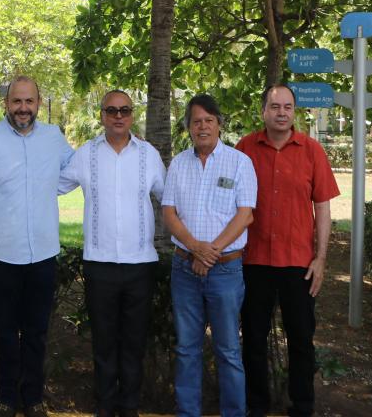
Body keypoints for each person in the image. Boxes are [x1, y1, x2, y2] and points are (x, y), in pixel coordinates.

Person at [0, 76, 75, 417]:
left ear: (38, 103)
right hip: (3, 253)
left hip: (43, 252)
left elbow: (76, 170)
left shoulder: (54, 138)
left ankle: (34, 398)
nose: (23, 108)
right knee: (7, 332)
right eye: (16, 102)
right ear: (6, 103)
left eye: (29, 102)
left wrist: (48, 187)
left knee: (38, 332)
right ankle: (7, 399)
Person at [236, 85, 339, 417]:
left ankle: (302, 407)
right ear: (263, 110)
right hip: (253, 262)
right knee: (252, 341)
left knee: (300, 342)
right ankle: (256, 407)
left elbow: (322, 207)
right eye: (275, 106)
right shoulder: (245, 149)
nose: (282, 112)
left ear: (294, 112)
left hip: (299, 265)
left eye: (288, 107)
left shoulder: (311, 151)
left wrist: (321, 258)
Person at [64, 90, 165, 417]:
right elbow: (49, 185)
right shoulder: (85, 155)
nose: (118, 116)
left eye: (124, 110)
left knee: (134, 343)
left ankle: (130, 408)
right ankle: (106, 407)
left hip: (140, 265)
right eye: (111, 110)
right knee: (104, 343)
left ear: (132, 115)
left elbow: (170, 198)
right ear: (102, 115)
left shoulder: (148, 155)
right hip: (100, 265)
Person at [161, 94, 257, 417]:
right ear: (188, 127)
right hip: (185, 270)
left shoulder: (239, 162)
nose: (202, 126)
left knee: (228, 350)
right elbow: (169, 214)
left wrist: (209, 253)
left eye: (208, 120)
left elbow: (245, 215)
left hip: (225, 273)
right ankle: (188, 412)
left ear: (219, 124)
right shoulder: (178, 163)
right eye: (196, 121)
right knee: (187, 349)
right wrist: (195, 248)